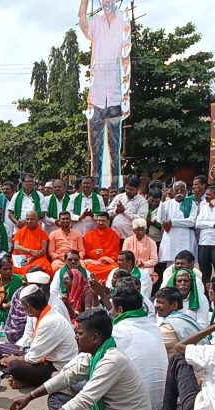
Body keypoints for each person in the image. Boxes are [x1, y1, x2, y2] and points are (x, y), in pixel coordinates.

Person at [10, 308, 151, 410]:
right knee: (56, 397)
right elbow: (67, 377)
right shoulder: (97, 355)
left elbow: (83, 401)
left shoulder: (112, 360)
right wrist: (30, 396)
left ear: (95, 338)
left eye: (80, 333)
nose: (76, 337)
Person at [79, 0, 127, 186]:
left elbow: (127, 52)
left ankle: (116, 187)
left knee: (115, 146)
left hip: (115, 95)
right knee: (96, 147)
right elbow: (82, 19)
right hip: (97, 97)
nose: (106, 1)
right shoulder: (95, 23)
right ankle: (96, 188)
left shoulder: (123, 20)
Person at [0, 284, 79, 388]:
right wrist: (16, 355)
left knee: (14, 366)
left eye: (23, 307)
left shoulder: (48, 321)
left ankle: (30, 381)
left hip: (58, 367)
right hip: (45, 357)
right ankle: (24, 379)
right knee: (6, 352)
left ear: (28, 306)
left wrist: (14, 359)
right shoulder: (45, 313)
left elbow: (33, 358)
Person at [109, 287, 167, 410]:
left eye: (112, 308)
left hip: (136, 409)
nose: (110, 312)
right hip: (162, 405)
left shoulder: (118, 331)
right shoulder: (154, 328)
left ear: (119, 310)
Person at [158, 181, 197, 268]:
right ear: (172, 191)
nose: (179, 192)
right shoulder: (167, 203)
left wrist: (172, 222)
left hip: (186, 239)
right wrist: (162, 200)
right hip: (171, 239)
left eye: (182, 190)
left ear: (186, 191)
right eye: (176, 190)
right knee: (170, 267)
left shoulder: (191, 203)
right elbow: (161, 220)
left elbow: (191, 222)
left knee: (187, 263)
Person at [154, 287, 202, 357]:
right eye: (157, 302)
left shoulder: (169, 328)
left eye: (161, 302)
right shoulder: (185, 318)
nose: (156, 306)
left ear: (174, 305)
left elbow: (150, 345)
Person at [11, 210, 53, 277]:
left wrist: (32, 258)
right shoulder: (20, 232)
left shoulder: (42, 233)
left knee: (43, 265)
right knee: (19, 268)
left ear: (37, 220)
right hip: (21, 256)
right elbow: (16, 247)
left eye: (31, 219)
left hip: (37, 257)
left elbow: (43, 250)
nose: (29, 221)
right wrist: (30, 251)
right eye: (27, 219)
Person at [82, 212, 120, 281]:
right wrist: (94, 253)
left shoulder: (114, 235)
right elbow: (86, 253)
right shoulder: (89, 235)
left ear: (108, 221)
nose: (101, 223)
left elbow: (116, 253)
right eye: (99, 220)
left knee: (114, 269)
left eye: (103, 221)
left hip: (108, 264)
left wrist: (106, 259)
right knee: (88, 269)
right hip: (93, 263)